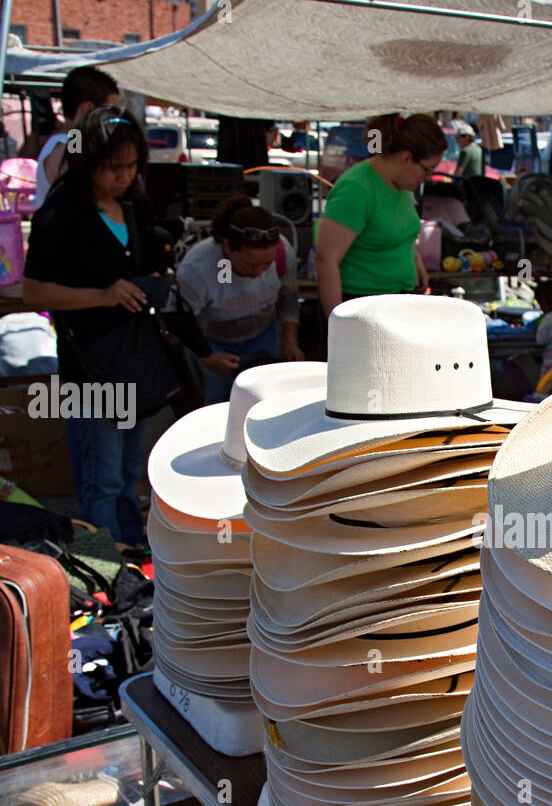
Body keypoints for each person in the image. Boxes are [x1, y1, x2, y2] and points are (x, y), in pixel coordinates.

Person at [23, 107, 163, 545]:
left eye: (131, 166)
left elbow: (152, 266)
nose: (123, 177)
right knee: (100, 476)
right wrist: (101, 296)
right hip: (89, 365)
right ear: (87, 163)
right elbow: (34, 292)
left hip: (132, 360)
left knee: (128, 473)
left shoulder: (135, 205)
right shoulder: (62, 212)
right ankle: (103, 559)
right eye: (112, 168)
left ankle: (129, 553)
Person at [315, 112, 447, 323]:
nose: (428, 178)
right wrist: (339, 324)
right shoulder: (356, 188)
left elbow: (400, 232)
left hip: (399, 299)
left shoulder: (401, 184)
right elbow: (325, 260)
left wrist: (417, 264)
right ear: (406, 158)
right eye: (428, 170)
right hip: (363, 307)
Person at [176, 194, 303, 405]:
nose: (260, 272)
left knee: (264, 402)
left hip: (262, 334)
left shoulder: (283, 252)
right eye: (251, 265)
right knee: (215, 404)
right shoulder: (199, 267)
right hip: (213, 341)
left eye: (266, 264)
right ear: (227, 247)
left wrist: (290, 339)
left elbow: (288, 296)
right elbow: (182, 320)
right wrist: (205, 357)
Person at [35, 66, 120, 208]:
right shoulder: (71, 141)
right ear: (87, 109)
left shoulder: (68, 139)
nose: (110, 119)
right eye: (108, 112)